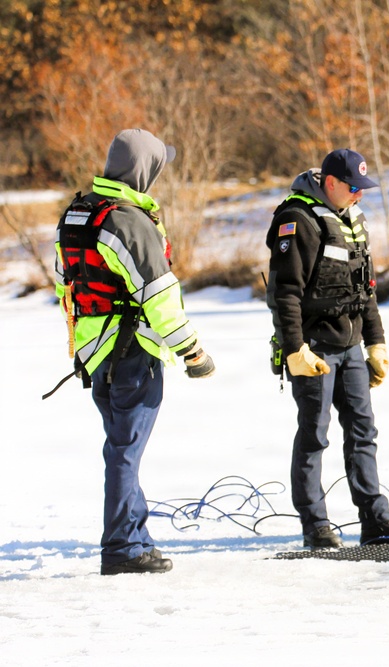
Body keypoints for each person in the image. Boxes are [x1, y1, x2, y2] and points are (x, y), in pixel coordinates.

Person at [53, 129, 215, 575]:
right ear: (146, 170)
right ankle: (122, 548)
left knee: (122, 446)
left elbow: (62, 284)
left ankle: (136, 537)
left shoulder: (75, 215)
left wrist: (85, 343)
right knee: (125, 450)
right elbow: (160, 296)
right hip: (133, 352)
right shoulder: (128, 221)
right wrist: (192, 352)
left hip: (94, 351)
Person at [265, 148, 389, 548]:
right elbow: (285, 294)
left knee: (363, 430)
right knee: (315, 434)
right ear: (330, 183)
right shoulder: (297, 221)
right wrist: (295, 349)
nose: (359, 195)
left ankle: (375, 518)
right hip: (313, 348)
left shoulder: (352, 219)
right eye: (353, 188)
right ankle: (315, 524)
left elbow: (365, 290)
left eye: (362, 188)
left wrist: (376, 342)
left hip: (349, 346)